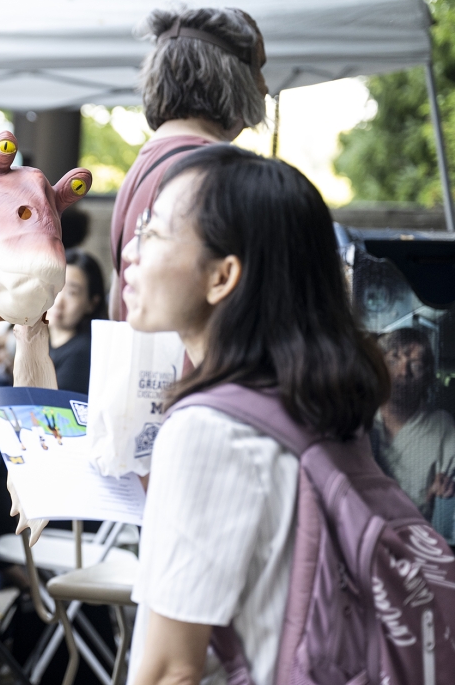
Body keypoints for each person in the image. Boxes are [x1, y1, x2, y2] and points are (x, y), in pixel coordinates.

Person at [120, 144, 388, 685]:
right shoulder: (316, 405)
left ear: (223, 276)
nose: (130, 250)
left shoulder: (210, 432)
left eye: (153, 231)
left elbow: (172, 668)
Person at [109, 7, 268, 321]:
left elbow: (119, 300)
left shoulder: (148, 162)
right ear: (230, 76)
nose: (263, 86)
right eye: (257, 68)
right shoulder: (210, 169)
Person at [371, 326, 455, 517]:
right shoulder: (360, 419)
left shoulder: (442, 426)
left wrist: (449, 484)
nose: (403, 372)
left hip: (415, 537)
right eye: (393, 362)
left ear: (427, 376)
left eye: (415, 365)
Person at [46, 249, 107, 393]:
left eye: (71, 293)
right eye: (55, 287)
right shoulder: (44, 341)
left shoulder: (81, 353)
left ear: (92, 303)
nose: (58, 301)